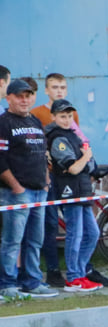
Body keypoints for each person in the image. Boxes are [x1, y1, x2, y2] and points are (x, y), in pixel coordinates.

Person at [0, 79, 57, 298]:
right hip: (15, 192)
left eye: (28, 95)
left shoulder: (34, 120)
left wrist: (45, 181)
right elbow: (1, 159)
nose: (25, 100)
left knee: (35, 240)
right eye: (19, 96)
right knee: (12, 240)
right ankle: (7, 284)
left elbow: (42, 153)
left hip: (38, 190)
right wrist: (16, 186)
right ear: (9, 98)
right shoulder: (4, 122)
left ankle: (32, 282)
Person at [45, 99, 104, 292]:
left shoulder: (73, 135)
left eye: (69, 116)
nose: (67, 119)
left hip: (83, 189)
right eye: (62, 116)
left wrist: (86, 161)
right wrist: (86, 156)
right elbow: (74, 168)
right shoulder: (58, 138)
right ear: (54, 117)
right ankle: (73, 277)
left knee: (93, 233)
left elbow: (89, 167)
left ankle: (79, 272)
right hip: (69, 190)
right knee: (75, 234)